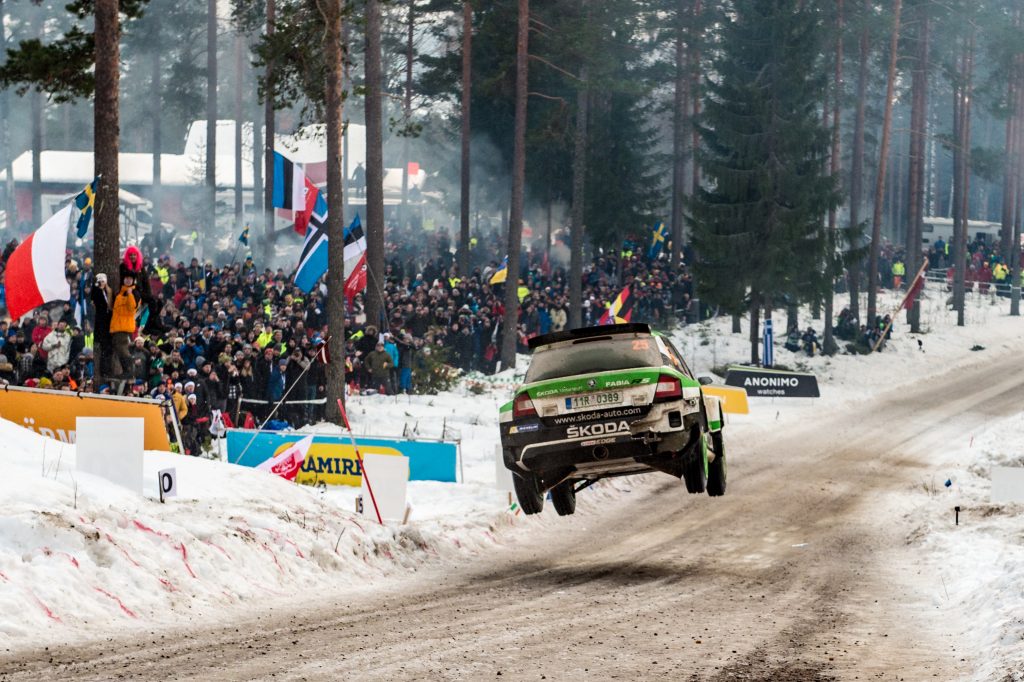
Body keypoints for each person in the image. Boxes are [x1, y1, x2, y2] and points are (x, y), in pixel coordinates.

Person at [110, 273, 138, 379]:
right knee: (118, 348)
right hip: (117, 325)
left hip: (123, 326)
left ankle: (129, 369)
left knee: (122, 349)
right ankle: (127, 369)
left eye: (130, 279)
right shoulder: (120, 291)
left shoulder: (134, 292)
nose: (127, 280)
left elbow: (132, 308)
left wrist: (130, 294)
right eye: (126, 278)